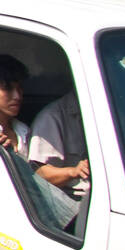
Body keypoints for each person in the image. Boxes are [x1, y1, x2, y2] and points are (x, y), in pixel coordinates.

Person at [28, 89, 90, 224]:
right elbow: (39, 175)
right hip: (70, 207)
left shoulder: (112, 113)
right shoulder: (51, 117)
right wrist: (73, 172)